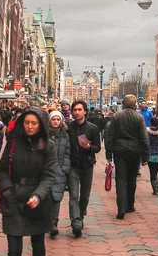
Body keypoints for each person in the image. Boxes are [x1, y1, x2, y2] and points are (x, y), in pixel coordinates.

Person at [0, 108, 58, 256]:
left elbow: (50, 175)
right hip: (13, 200)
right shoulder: (13, 143)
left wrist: (39, 195)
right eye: (27, 123)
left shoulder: (49, 147)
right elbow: (2, 169)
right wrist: (7, 190)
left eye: (34, 123)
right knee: (14, 250)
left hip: (37, 201)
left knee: (38, 243)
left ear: (41, 125)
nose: (30, 127)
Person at [105, 95, 149, 219]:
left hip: (119, 151)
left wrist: (109, 153)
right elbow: (144, 137)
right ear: (135, 105)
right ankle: (130, 204)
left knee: (120, 179)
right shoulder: (139, 117)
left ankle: (121, 207)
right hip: (134, 151)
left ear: (123, 104)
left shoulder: (116, 117)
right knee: (131, 178)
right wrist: (146, 155)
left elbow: (110, 136)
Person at [67, 100, 101, 237]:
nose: (77, 112)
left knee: (85, 196)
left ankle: (80, 216)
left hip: (87, 165)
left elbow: (97, 147)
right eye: (74, 110)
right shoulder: (69, 127)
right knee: (74, 195)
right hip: (73, 165)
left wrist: (89, 147)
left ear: (85, 111)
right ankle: (75, 221)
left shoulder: (92, 128)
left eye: (79, 110)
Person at [48, 111, 70, 237]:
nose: (56, 121)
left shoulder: (65, 135)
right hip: (46, 170)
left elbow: (67, 153)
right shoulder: (44, 134)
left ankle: (53, 224)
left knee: (56, 197)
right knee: (46, 197)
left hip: (59, 171)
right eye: (53, 119)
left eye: (58, 119)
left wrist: (63, 169)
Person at [147, 116, 158, 195]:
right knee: (157, 171)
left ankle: (154, 189)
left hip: (150, 155)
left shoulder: (148, 132)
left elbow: (146, 143)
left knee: (152, 172)